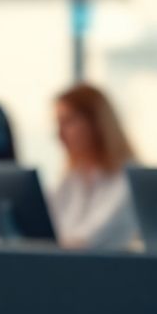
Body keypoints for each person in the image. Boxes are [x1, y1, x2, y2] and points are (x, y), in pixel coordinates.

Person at [49, 84, 139, 250]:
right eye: (58, 123)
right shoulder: (73, 177)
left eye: (68, 122)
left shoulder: (127, 180)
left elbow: (87, 241)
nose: (59, 134)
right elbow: (44, 229)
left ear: (96, 124)